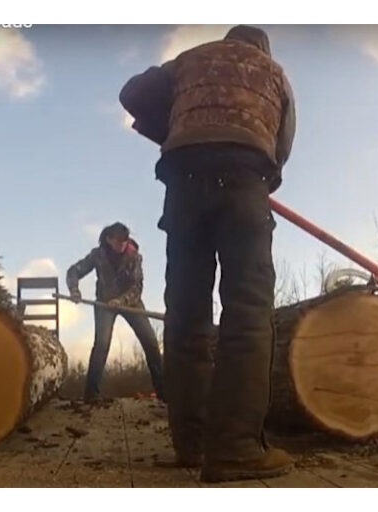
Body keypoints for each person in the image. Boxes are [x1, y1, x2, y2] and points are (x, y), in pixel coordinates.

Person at [119, 25, 296, 483]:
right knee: (248, 313)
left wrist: (175, 129)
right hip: (244, 182)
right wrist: (259, 178)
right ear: (262, 48)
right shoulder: (274, 73)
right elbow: (282, 146)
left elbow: (132, 93)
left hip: (183, 185)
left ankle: (191, 443)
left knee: (185, 314)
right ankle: (236, 449)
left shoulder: (189, 59)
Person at [66, 222, 164, 403]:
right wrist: (74, 290)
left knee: (150, 342)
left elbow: (137, 287)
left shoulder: (134, 257)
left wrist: (121, 301)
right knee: (102, 344)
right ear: (109, 239)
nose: (123, 244)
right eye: (119, 241)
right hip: (104, 303)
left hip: (131, 303)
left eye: (125, 241)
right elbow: (74, 271)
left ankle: (164, 391)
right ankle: (91, 394)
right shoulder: (97, 255)